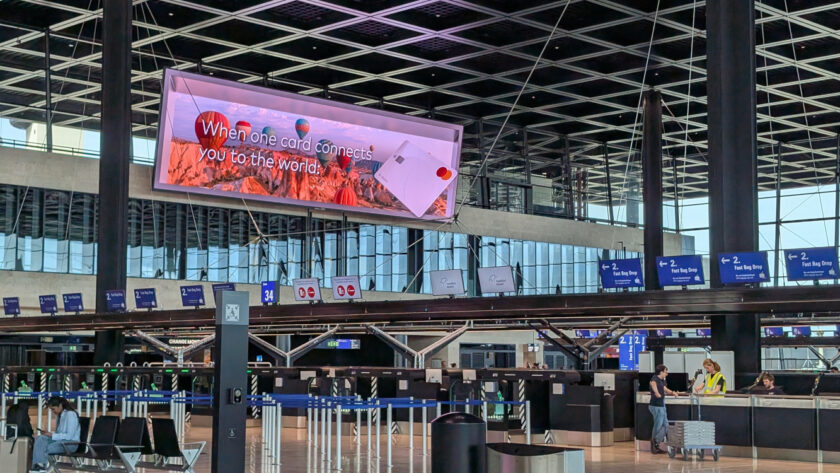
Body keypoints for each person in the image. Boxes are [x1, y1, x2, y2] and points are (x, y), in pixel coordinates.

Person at [31, 396, 81, 472]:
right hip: (61, 441)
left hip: (70, 444)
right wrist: (49, 433)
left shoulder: (70, 414)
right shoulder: (60, 415)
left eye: (53, 409)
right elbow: (60, 433)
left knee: (44, 447)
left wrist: (52, 435)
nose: (52, 411)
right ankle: (38, 466)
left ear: (60, 405)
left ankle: (40, 467)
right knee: (40, 438)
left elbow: (69, 436)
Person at [649, 364, 680, 454]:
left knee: (666, 425)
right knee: (658, 426)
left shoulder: (661, 380)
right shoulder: (655, 378)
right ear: (661, 372)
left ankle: (655, 442)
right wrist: (657, 393)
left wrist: (672, 392)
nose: (667, 373)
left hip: (661, 404)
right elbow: (652, 384)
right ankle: (655, 444)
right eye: (666, 372)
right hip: (656, 405)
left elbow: (665, 388)